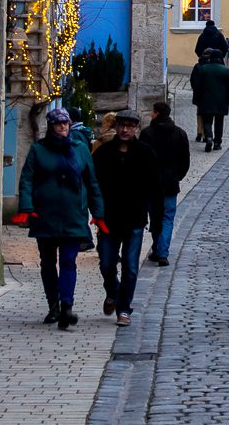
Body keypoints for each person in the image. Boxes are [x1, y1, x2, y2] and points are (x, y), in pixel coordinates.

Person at [15, 107, 104, 331]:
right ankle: (53, 304)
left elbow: (92, 182)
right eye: (58, 124)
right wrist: (26, 207)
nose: (63, 127)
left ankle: (67, 305)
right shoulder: (39, 150)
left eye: (65, 123)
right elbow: (27, 179)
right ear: (51, 126)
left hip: (73, 215)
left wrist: (99, 213)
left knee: (68, 261)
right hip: (45, 215)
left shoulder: (80, 149)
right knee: (47, 262)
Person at [92, 109, 159, 326]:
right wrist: (96, 211)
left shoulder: (145, 153)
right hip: (109, 219)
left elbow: (153, 187)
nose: (125, 129)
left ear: (136, 128)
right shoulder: (104, 153)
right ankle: (112, 291)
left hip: (135, 219)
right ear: (116, 127)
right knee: (107, 263)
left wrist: (153, 215)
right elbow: (94, 185)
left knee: (130, 266)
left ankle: (124, 309)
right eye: (122, 125)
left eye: (130, 126)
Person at [140, 101, 190, 266]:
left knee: (155, 217)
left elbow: (143, 160)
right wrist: (177, 176)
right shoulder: (179, 133)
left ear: (156, 113)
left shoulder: (147, 134)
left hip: (151, 183)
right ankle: (162, 251)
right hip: (170, 183)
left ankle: (158, 249)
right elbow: (185, 161)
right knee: (167, 218)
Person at [190, 47, 229, 151]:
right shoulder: (226, 71)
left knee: (207, 121)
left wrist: (197, 99)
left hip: (205, 100)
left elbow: (197, 86)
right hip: (221, 101)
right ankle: (217, 142)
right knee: (219, 123)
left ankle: (209, 137)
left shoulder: (203, 69)